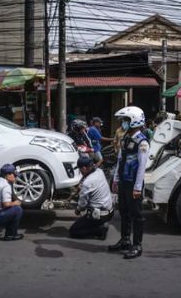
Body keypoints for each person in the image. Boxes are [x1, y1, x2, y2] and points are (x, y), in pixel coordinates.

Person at [108, 106, 150, 259]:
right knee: (124, 212)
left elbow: (141, 167)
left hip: (134, 183)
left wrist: (138, 188)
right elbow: (120, 160)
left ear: (134, 121)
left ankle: (137, 245)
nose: (123, 123)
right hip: (123, 181)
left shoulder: (142, 142)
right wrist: (116, 179)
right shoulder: (126, 138)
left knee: (137, 215)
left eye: (126, 120)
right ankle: (125, 240)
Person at [69, 157, 114, 240]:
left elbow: (82, 205)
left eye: (80, 170)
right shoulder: (99, 171)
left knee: (73, 231)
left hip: (99, 215)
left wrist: (77, 210)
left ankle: (99, 230)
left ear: (84, 168)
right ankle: (100, 225)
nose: (80, 172)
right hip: (110, 211)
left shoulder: (87, 183)